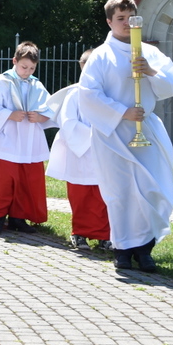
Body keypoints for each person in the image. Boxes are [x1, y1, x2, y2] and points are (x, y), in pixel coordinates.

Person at [79, 0, 173, 272]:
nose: (126, 23)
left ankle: (145, 249)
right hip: (112, 134)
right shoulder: (101, 56)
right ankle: (123, 250)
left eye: (130, 18)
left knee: (153, 189)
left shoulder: (150, 52)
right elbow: (87, 95)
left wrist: (150, 72)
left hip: (146, 131)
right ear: (109, 21)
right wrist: (121, 112)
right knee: (121, 192)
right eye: (120, 19)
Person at [0, 42, 54, 233]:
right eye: (24, 67)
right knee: (1, 181)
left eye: (31, 68)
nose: (27, 71)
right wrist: (9, 115)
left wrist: (40, 117)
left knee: (24, 180)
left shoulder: (36, 84)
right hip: (6, 139)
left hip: (28, 140)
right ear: (15, 61)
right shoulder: (3, 82)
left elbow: (50, 108)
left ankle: (18, 217)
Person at [46, 49, 113, 251]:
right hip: (80, 153)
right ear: (81, 67)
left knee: (103, 195)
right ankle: (80, 233)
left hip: (103, 152)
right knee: (81, 195)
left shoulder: (108, 93)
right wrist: (94, 135)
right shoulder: (74, 93)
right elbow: (68, 123)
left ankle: (104, 236)